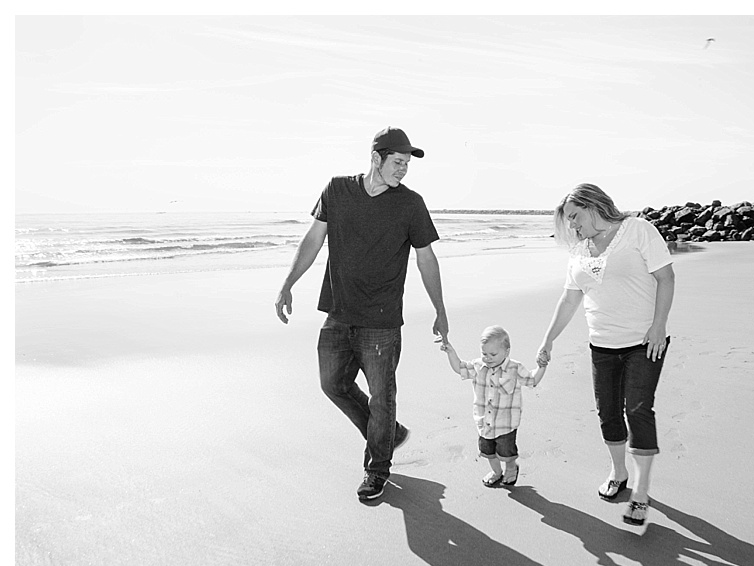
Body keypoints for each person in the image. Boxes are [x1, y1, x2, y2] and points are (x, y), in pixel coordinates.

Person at [275, 126, 449, 502]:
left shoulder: (410, 204)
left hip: (382, 322)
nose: (403, 170)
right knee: (332, 384)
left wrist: (440, 309)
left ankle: (377, 469)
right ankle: (388, 434)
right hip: (338, 313)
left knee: (381, 398)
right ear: (376, 158)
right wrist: (288, 283)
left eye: (407, 164)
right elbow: (313, 238)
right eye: (398, 162)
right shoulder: (337, 191)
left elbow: (426, 258)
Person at [537, 183, 674, 529]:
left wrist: (659, 326)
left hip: (644, 342)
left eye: (574, 217)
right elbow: (569, 299)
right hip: (602, 345)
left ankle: (641, 492)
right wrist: (548, 340)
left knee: (638, 409)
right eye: (568, 221)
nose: (572, 226)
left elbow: (666, 277)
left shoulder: (638, 231)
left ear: (592, 205)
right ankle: (618, 471)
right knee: (608, 412)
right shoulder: (580, 251)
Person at [441, 326, 546, 487]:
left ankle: (511, 468)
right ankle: (497, 472)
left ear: (506, 351)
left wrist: (542, 366)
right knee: (488, 452)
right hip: (484, 422)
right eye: (484, 354)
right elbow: (459, 367)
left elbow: (532, 380)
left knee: (506, 452)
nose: (488, 358)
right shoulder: (478, 366)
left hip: (506, 424)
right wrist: (451, 352)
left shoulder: (514, 368)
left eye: (493, 354)